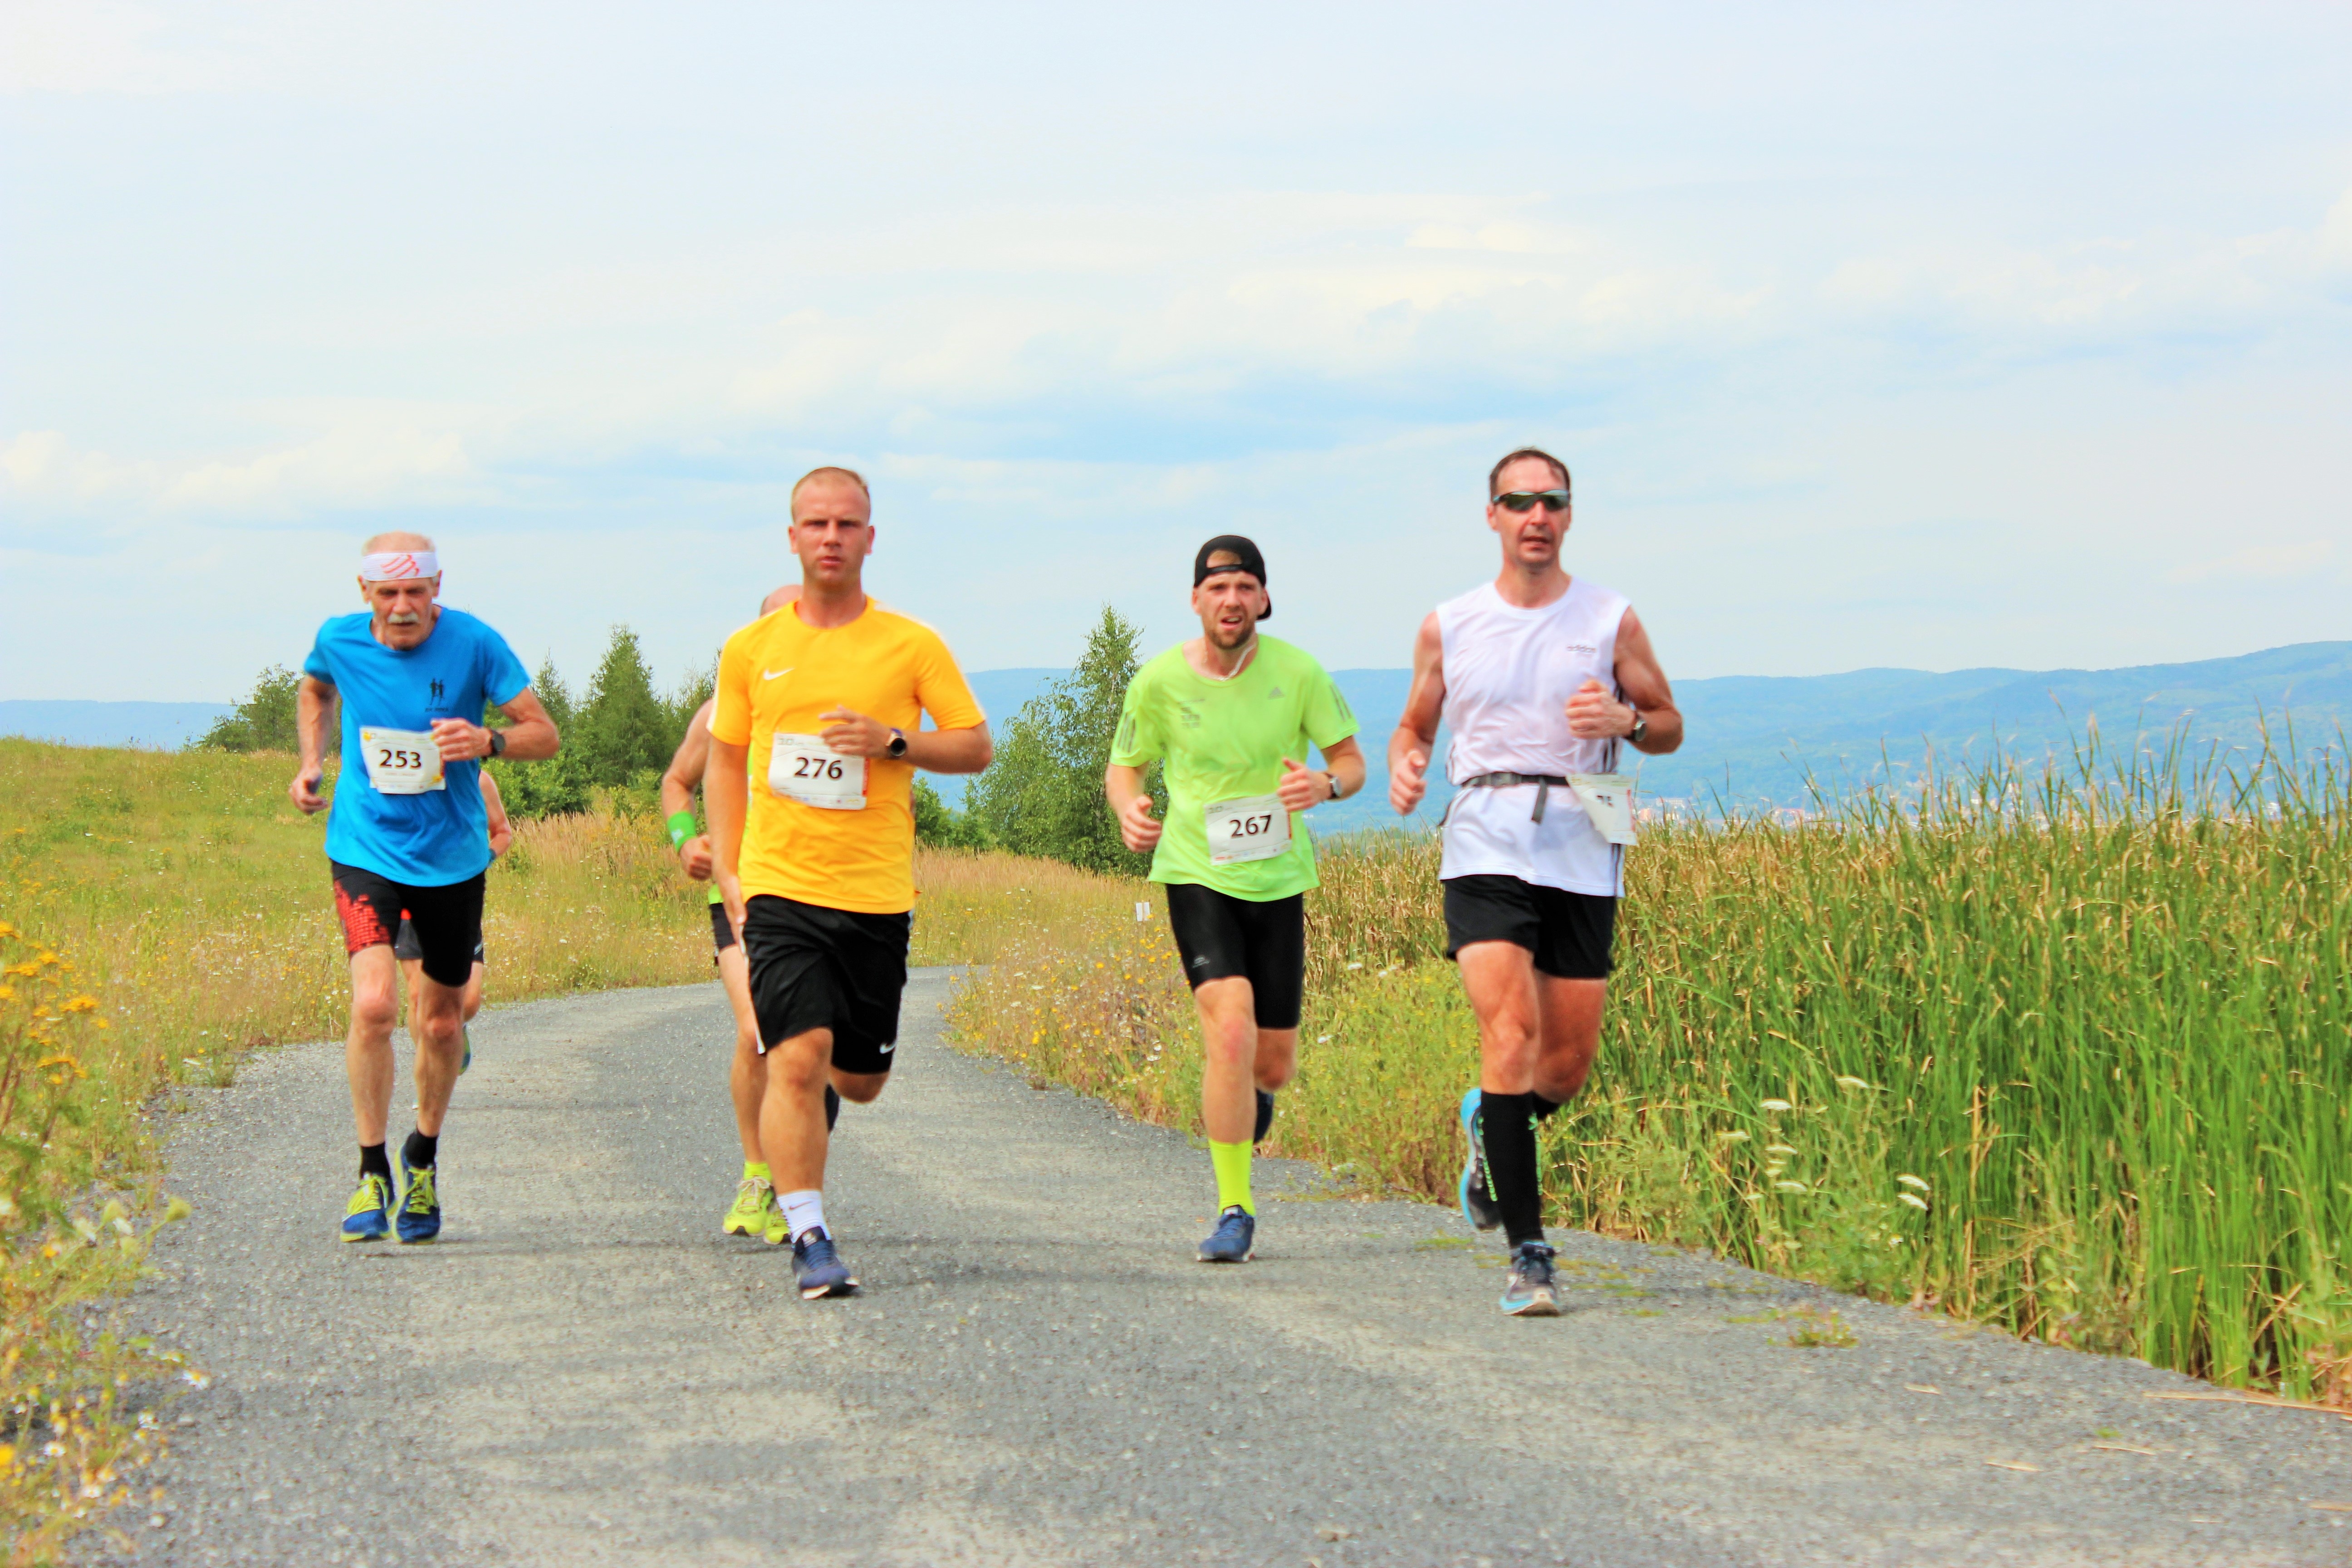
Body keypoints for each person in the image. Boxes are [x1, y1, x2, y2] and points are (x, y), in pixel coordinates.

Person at [1387, 449, 1683, 1315]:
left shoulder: (1609, 618)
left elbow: (1666, 723)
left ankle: (1489, 1118)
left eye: (1549, 501)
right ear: (1491, 516)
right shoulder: (1449, 623)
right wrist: (1408, 763)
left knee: (1562, 1066)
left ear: (1567, 513)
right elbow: (1414, 721)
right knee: (1508, 1031)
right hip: (1483, 836)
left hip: (1582, 840)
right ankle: (1529, 1256)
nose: (1534, 516)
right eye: (1517, 502)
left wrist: (1625, 719)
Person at [705, 467, 991, 1299]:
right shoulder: (750, 649)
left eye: (846, 524)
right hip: (779, 887)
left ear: (871, 539)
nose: (830, 537)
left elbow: (974, 746)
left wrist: (894, 742)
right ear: (790, 537)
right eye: (814, 523)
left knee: (857, 1080)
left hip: (873, 895)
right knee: (794, 1057)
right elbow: (723, 761)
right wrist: (729, 865)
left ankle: (819, 1120)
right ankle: (810, 1234)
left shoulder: (911, 644)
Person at [292, 533, 559, 1245]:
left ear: (438, 588)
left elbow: (545, 733)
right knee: (376, 1004)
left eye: (417, 592)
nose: (404, 607)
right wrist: (311, 764)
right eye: (389, 594)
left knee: (442, 1022)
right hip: (364, 846)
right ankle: (371, 1171)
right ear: (365, 593)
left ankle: (423, 1155)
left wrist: (490, 741)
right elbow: (316, 687)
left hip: (451, 860)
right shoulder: (339, 640)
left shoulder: (476, 643)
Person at [1106, 537, 1365, 1264]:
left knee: (1271, 1064)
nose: (1231, 600)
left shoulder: (1300, 672)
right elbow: (1124, 769)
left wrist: (1324, 785)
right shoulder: (1158, 681)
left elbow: (1351, 763)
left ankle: (1250, 1101)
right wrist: (1131, 809)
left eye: (1245, 586)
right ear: (1196, 600)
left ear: (1263, 600)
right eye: (1217, 588)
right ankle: (1234, 1208)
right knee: (1228, 1029)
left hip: (1279, 876)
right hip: (1196, 869)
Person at [658, 584, 840, 1245]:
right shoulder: (719, 715)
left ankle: (796, 1155)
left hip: (830, 894)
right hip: (739, 894)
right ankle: (760, 1175)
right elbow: (675, 782)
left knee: (819, 1051)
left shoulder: (846, 711)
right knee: (761, 1028)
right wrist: (688, 840)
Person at [394, 769, 511, 1074]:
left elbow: (503, 832)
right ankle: (430, 1072)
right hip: (410, 901)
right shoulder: (404, 773)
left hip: (459, 903)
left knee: (467, 1002)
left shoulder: (479, 781)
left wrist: (484, 858)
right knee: (419, 995)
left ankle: (452, 1027)